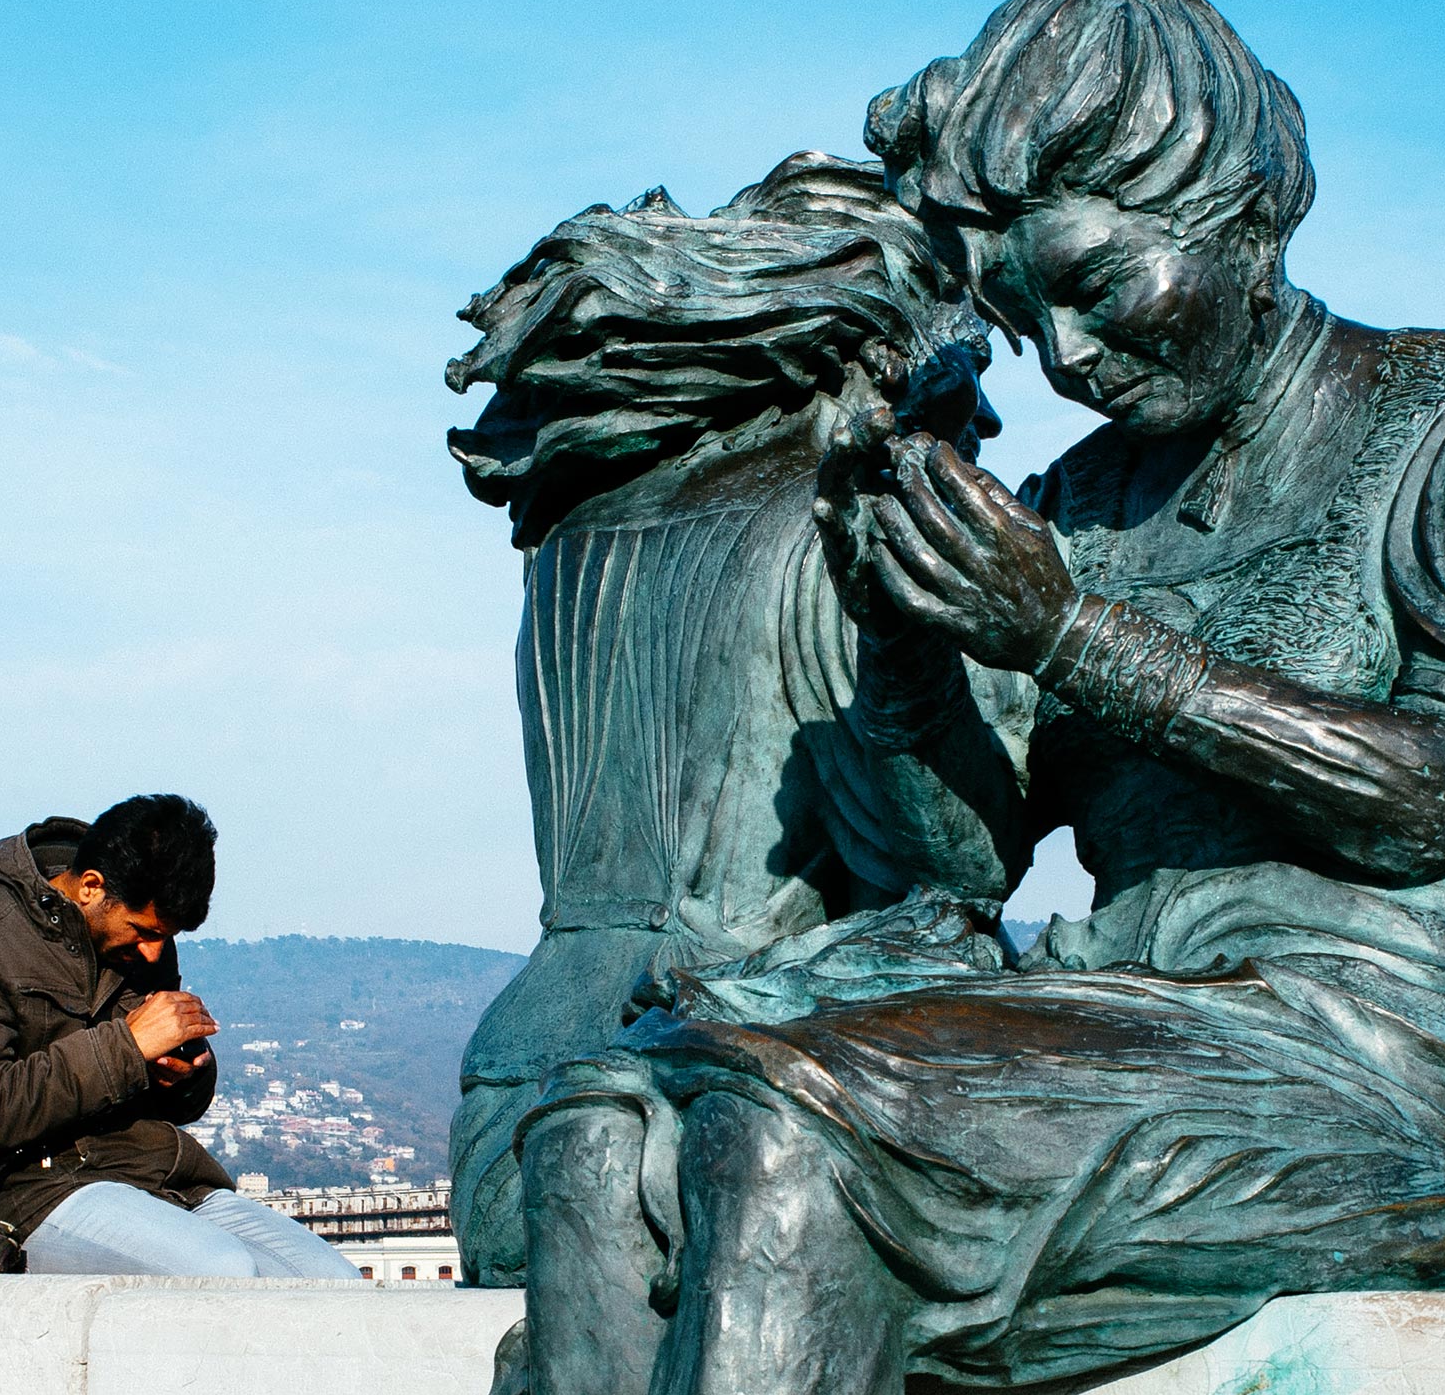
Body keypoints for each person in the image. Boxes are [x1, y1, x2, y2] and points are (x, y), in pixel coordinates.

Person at [507, 0, 1445, 1395]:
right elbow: (957, 860)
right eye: (1031, 323)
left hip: (1389, 1050)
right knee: (596, 1122)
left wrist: (1066, 633)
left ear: (1237, 211)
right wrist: (901, 616)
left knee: (790, 1119)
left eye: (1096, 287)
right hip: (1122, 1018)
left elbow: (1443, 794)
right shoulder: (1080, 509)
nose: (1072, 362)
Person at [439, 153, 1028, 1286]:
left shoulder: (569, 551)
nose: (981, 410)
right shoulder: (829, 543)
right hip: (708, 1115)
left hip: (513, 1108)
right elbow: (954, 870)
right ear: (873, 355)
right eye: (955, 359)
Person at [0, 796, 360, 1278]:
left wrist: (183, 1073)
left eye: (166, 936)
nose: (154, 951)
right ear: (91, 886)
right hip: (29, 1193)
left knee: (336, 1286)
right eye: (143, 931)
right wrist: (129, 1046)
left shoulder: (143, 940)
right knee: (221, 1271)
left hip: (160, 1177)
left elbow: (178, 1102)